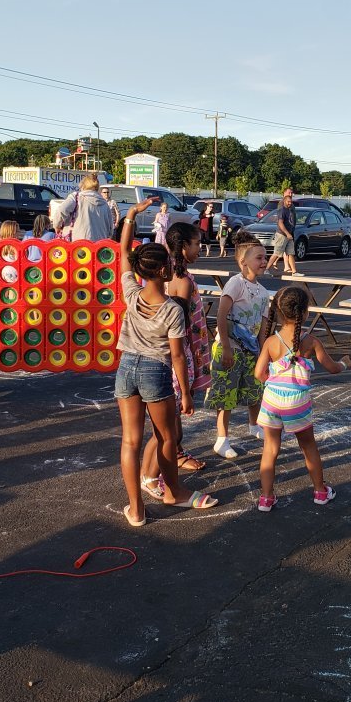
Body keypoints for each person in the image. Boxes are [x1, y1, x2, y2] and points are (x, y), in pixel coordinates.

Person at [115, 199, 218, 526]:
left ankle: (136, 508)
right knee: (167, 437)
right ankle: (173, 492)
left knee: (130, 441)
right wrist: (186, 393)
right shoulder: (173, 309)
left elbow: (122, 257)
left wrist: (130, 218)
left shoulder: (131, 293)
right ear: (163, 270)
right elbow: (176, 355)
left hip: (125, 370)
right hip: (154, 372)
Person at [255, 286, 351, 512]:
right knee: (308, 446)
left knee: (270, 449)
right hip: (297, 402)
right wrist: (346, 362)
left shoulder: (271, 342)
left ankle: (266, 498)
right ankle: (320, 491)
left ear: (278, 312)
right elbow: (333, 368)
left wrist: (275, 379)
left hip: (272, 400)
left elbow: (259, 374)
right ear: (305, 313)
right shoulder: (311, 342)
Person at [140, 221, 212, 496]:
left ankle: (150, 473)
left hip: (175, 359)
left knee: (171, 431)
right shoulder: (181, 280)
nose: (199, 249)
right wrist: (185, 389)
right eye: (196, 244)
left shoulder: (173, 276)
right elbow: (176, 325)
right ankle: (148, 476)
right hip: (175, 361)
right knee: (167, 431)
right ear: (183, 246)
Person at [204, 230, 270, 458]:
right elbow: (221, 315)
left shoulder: (263, 292)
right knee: (226, 395)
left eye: (265, 257)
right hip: (229, 348)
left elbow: (263, 326)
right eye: (259, 257)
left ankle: (254, 425)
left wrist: (263, 353)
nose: (264, 261)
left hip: (251, 351)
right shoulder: (235, 283)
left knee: (254, 390)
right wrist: (227, 346)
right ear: (244, 262)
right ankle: (222, 439)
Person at [53, 173, 114, 242]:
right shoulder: (104, 203)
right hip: (99, 245)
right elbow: (110, 228)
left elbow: (62, 210)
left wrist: (57, 226)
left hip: (78, 244)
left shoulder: (76, 197)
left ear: (83, 186)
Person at [265, 188, 302, 277]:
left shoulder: (290, 208)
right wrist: (287, 233)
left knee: (291, 253)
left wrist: (291, 232)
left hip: (289, 234)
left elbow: (292, 219)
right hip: (282, 234)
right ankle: (266, 269)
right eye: (288, 201)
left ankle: (294, 272)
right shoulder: (282, 208)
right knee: (277, 253)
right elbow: (280, 223)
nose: (290, 202)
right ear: (284, 196)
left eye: (291, 201)